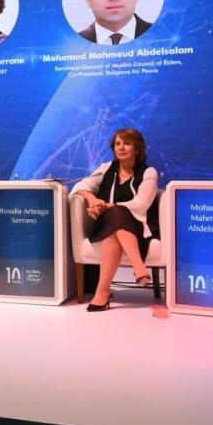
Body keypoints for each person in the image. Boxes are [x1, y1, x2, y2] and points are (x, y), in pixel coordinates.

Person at [73, 128, 160, 311]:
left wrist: (109, 206)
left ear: (137, 148)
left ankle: (102, 292)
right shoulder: (107, 168)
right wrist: (92, 199)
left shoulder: (148, 173)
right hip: (106, 224)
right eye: (118, 144)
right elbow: (80, 185)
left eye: (127, 143)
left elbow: (142, 204)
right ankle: (139, 268)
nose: (121, 147)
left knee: (116, 217)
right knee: (115, 217)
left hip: (137, 227)